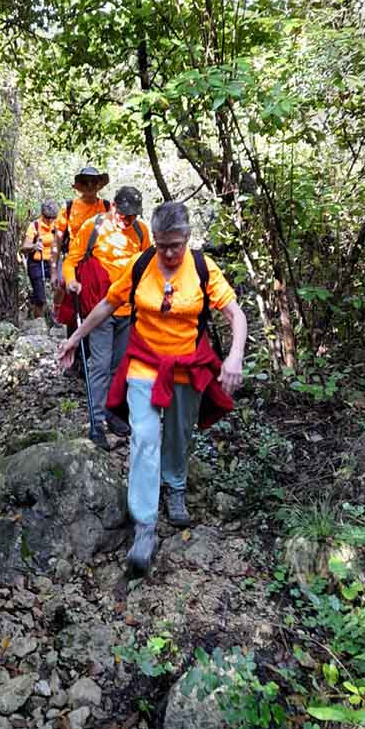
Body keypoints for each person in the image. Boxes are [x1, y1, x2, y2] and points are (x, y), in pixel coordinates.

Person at [57, 201, 246, 575]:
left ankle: (175, 486)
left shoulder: (203, 267)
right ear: (154, 240)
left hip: (186, 367)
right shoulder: (140, 265)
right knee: (144, 437)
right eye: (162, 245)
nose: (170, 253)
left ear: (188, 237)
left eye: (176, 244)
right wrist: (74, 338)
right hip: (144, 363)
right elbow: (107, 304)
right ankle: (144, 524)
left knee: (178, 434)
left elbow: (235, 314)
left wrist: (235, 356)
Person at [62, 186, 151, 450]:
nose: (128, 221)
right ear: (113, 206)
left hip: (129, 310)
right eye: (124, 215)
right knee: (100, 365)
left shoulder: (141, 231)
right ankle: (96, 422)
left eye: (132, 216)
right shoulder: (93, 227)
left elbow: (149, 264)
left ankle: (113, 412)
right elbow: (70, 261)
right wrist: (71, 281)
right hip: (100, 308)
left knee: (118, 365)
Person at [50, 165, 111, 294]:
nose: (89, 185)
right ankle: (57, 312)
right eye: (85, 182)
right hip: (73, 262)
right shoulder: (69, 207)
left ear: (98, 184)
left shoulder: (107, 207)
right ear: (80, 185)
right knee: (67, 295)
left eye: (93, 182)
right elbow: (57, 241)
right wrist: (54, 271)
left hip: (100, 264)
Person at [21, 199, 58, 318]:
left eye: (53, 217)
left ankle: (57, 318)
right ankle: (38, 324)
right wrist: (34, 246)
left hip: (52, 261)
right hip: (36, 263)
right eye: (48, 217)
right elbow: (24, 247)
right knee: (41, 298)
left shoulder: (56, 225)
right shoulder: (34, 226)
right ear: (43, 215)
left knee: (60, 286)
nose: (50, 220)